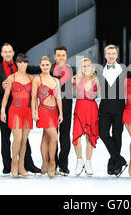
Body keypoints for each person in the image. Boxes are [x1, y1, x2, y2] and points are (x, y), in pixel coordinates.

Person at [0, 43, 41, 174]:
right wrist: (1, 88)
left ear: (13, 53)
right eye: (5, 52)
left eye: (10, 51)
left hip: (25, 109)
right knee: (6, 138)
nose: (8, 54)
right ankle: (8, 166)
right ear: (2, 54)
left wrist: (57, 70)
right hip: (9, 107)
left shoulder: (24, 67)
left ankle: (26, 164)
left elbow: (40, 71)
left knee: (23, 139)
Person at [0, 54, 34, 177]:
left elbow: (34, 97)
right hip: (15, 110)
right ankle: (14, 162)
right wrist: (3, 110)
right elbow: (6, 96)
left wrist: (35, 110)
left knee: (24, 141)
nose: (22, 65)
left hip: (27, 111)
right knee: (17, 138)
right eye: (19, 63)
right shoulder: (11, 77)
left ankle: (21, 165)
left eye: (24, 63)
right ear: (17, 64)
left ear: (27, 64)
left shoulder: (31, 78)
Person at [98, 45, 128, 176]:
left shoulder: (124, 69)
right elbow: (86, 76)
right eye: (108, 53)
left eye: (113, 53)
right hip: (104, 108)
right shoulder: (98, 71)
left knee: (117, 136)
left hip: (119, 108)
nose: (111, 56)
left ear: (117, 55)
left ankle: (114, 164)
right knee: (103, 133)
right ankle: (119, 159)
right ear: (105, 55)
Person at [32, 56, 63, 178]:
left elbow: (59, 97)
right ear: (40, 66)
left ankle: (44, 163)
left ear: (51, 66)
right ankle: (52, 163)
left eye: (47, 65)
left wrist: (60, 113)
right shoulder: (37, 79)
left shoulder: (55, 80)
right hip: (43, 110)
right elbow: (34, 97)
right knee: (54, 137)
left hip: (54, 111)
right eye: (43, 65)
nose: (45, 67)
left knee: (46, 137)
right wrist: (34, 111)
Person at [51, 46, 76, 176]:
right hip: (51, 108)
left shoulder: (72, 70)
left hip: (66, 107)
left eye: (63, 55)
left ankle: (63, 165)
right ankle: (53, 164)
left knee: (65, 137)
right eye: (58, 55)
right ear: (54, 57)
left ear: (66, 57)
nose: (61, 57)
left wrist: (75, 82)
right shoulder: (49, 70)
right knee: (53, 137)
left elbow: (91, 71)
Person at [72, 58, 100, 176]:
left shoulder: (96, 80)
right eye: (84, 66)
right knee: (76, 136)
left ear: (92, 67)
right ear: (81, 68)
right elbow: (70, 92)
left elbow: (103, 94)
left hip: (92, 110)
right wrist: (72, 84)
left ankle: (88, 162)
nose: (86, 68)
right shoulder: (77, 79)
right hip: (79, 109)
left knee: (89, 136)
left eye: (88, 66)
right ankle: (79, 160)